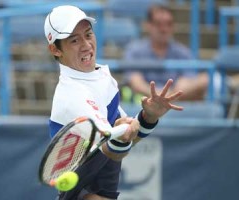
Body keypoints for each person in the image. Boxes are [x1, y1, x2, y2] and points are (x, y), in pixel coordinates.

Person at [44, 5, 183, 200]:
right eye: (74, 40)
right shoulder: (72, 98)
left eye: (88, 34)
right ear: (55, 50)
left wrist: (149, 117)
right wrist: (122, 135)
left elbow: (128, 136)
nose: (86, 45)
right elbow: (114, 151)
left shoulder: (100, 77)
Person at [123, 4, 208, 102]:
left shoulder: (183, 52)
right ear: (148, 25)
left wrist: (167, 96)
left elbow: (187, 81)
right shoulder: (134, 51)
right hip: (144, 106)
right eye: (158, 24)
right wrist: (160, 96)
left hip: (176, 105)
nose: (164, 29)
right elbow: (135, 82)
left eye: (169, 24)